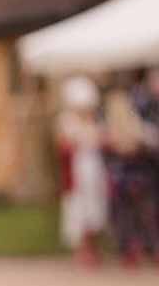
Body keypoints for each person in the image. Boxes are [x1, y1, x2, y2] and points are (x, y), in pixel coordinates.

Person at [54, 76, 108, 266]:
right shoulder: (67, 122)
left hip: (94, 170)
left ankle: (94, 248)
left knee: (95, 209)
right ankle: (83, 250)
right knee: (79, 210)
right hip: (78, 173)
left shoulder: (95, 121)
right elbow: (66, 145)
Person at [103, 89, 158, 266]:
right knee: (143, 215)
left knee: (131, 216)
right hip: (136, 178)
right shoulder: (136, 125)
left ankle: (133, 250)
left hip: (125, 179)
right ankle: (146, 248)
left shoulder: (112, 127)